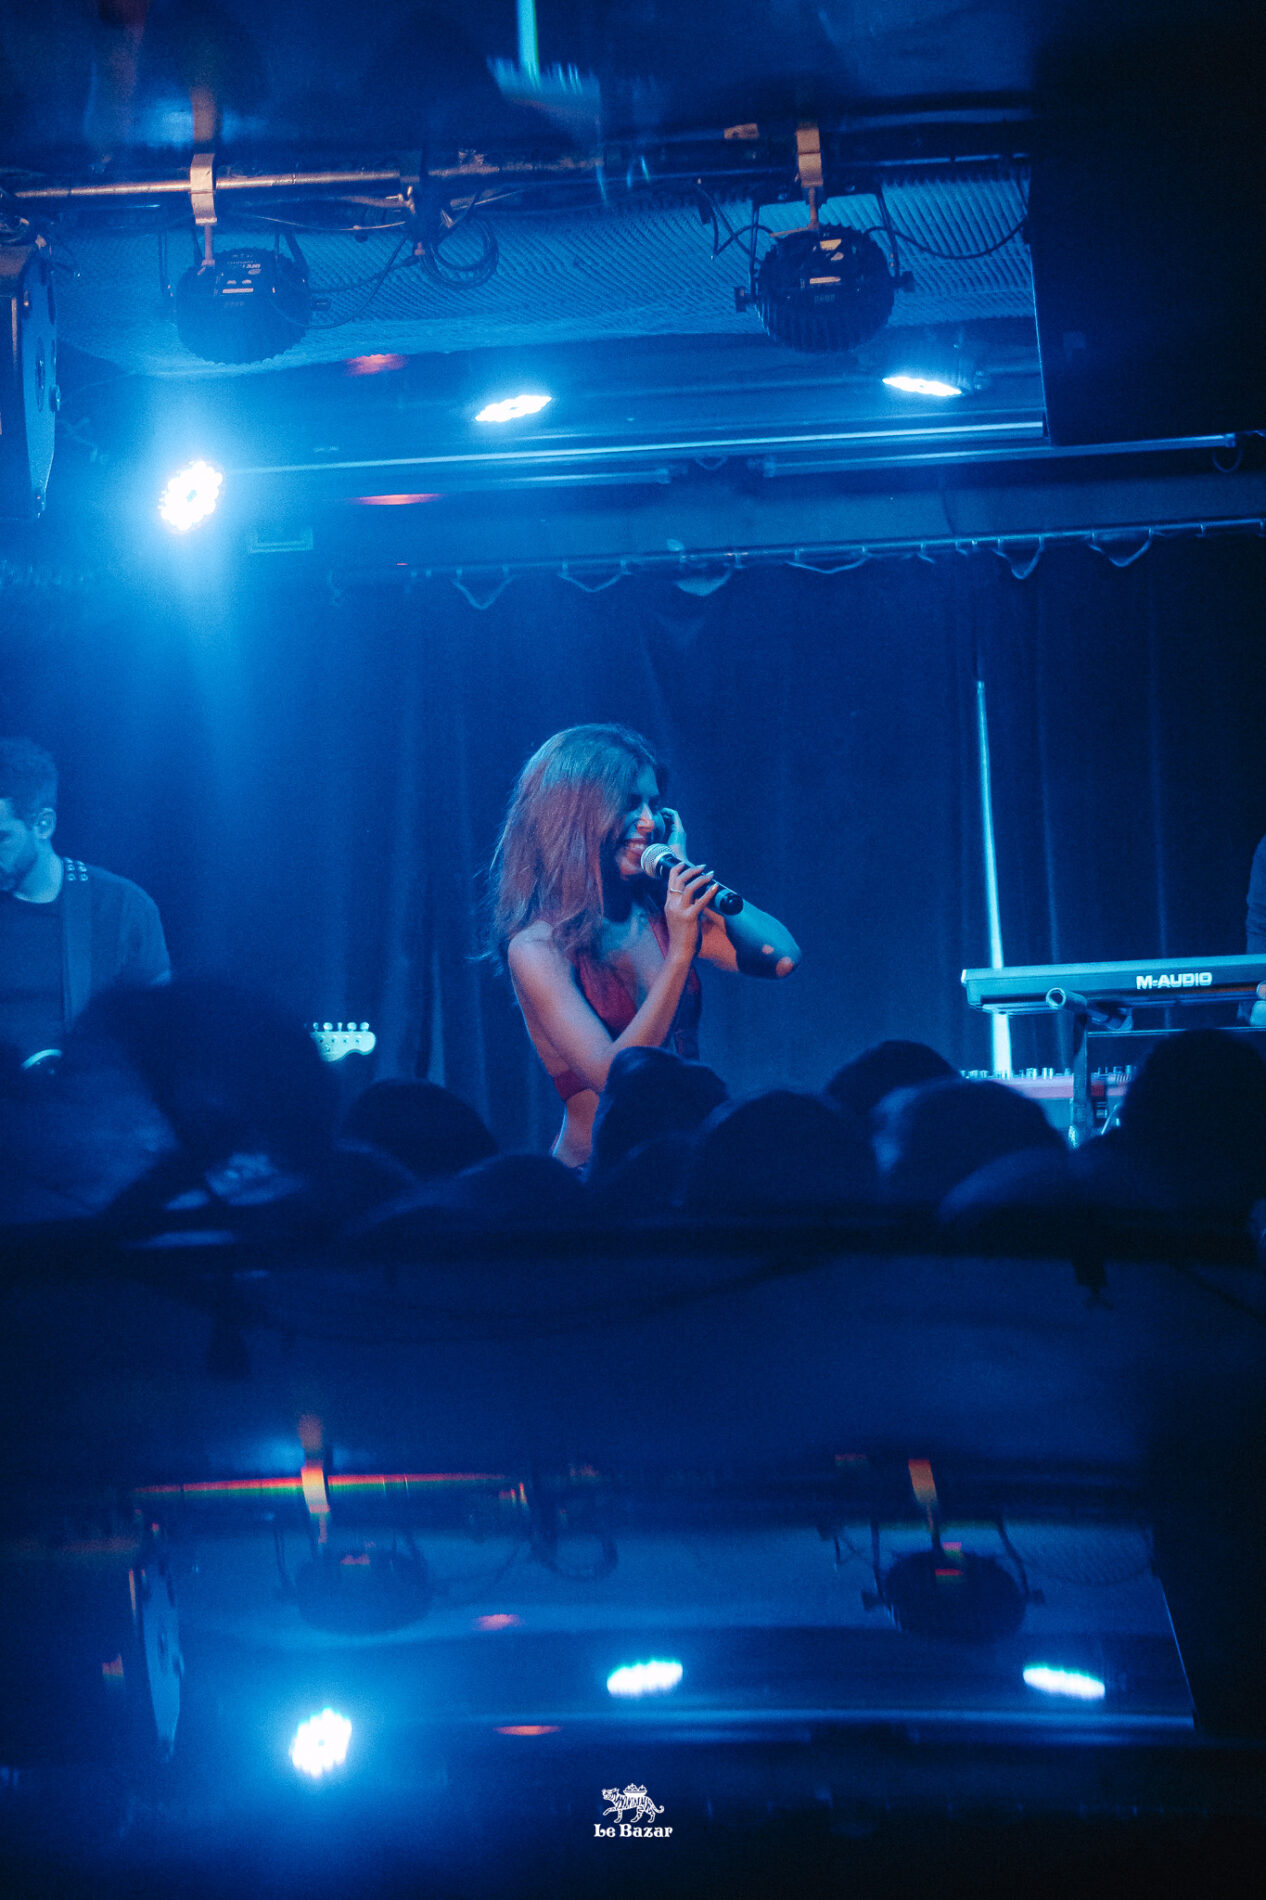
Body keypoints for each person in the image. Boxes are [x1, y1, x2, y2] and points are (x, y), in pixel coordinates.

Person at [487, 724, 800, 1169]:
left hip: (684, 1162)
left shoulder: (659, 915)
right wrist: (680, 953)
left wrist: (683, 868)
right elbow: (615, 1076)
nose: (650, 822)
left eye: (655, 804)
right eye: (630, 804)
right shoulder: (537, 947)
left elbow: (782, 957)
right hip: (596, 1179)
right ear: (574, 814)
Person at [0, 737, 170, 1070]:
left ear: (43, 824)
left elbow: (162, 1030)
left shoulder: (122, 907)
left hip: (88, 1096)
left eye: (1, 838)